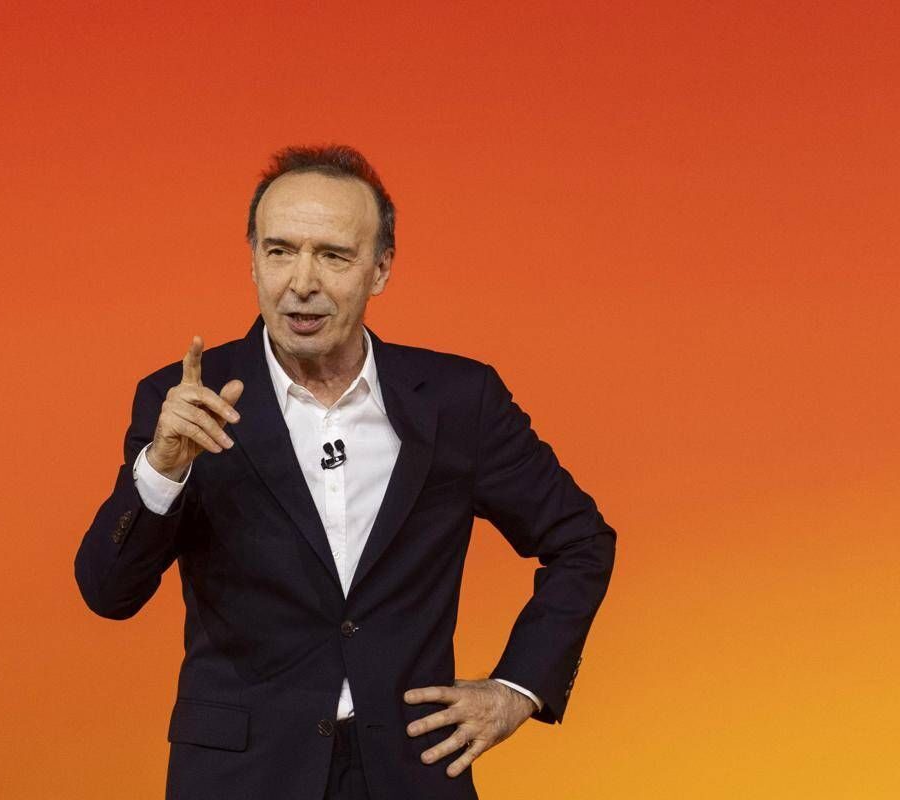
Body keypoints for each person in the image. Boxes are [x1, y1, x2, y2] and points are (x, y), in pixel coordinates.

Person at [74, 144, 616, 800]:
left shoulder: (457, 400)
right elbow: (108, 593)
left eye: (333, 256)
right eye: (280, 251)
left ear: (380, 268)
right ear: (253, 260)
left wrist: (517, 689)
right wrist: (162, 468)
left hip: (409, 774)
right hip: (239, 776)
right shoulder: (187, 399)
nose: (301, 281)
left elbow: (581, 541)